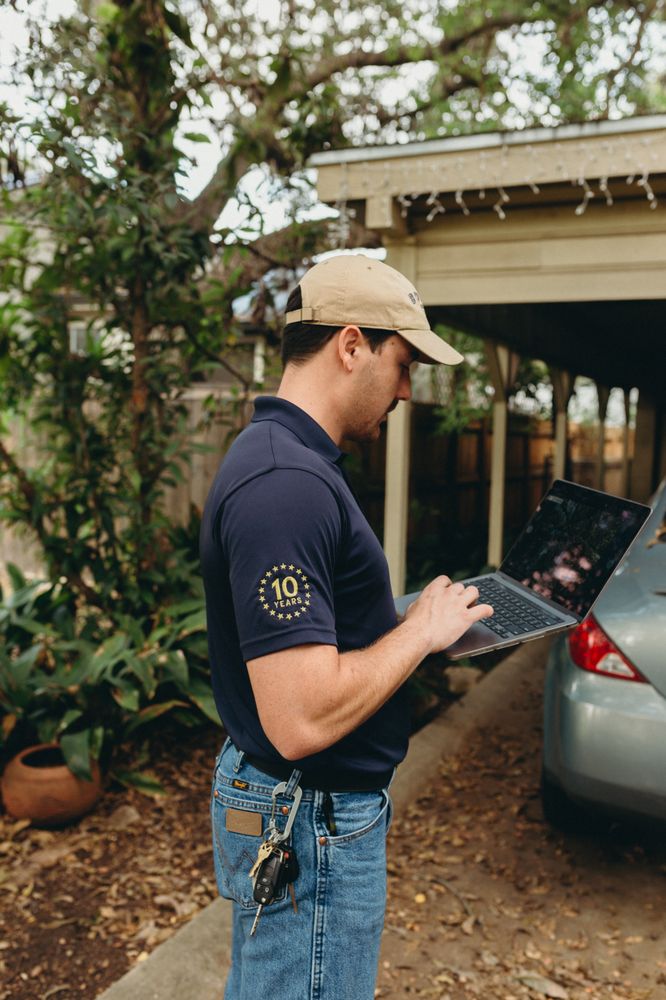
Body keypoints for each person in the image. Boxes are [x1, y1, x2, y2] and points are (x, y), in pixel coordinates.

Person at [200, 253, 493, 1000]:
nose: (405, 389)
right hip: (311, 819)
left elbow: (315, 639)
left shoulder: (290, 461)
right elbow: (300, 716)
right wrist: (417, 635)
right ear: (352, 344)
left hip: (311, 812)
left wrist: (420, 620)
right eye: (402, 364)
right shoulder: (286, 485)